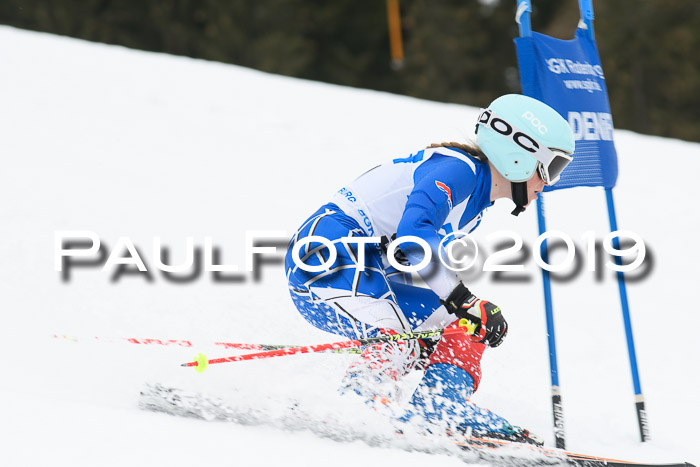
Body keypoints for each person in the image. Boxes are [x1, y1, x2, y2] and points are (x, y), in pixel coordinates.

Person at [284, 94, 575, 445]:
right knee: (399, 331)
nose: (549, 183)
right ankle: (358, 402)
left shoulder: (476, 202)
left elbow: (409, 259)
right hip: (322, 255)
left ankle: (437, 409)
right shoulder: (459, 171)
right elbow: (412, 236)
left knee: (465, 326)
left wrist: (452, 314)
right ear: (520, 154)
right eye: (552, 168)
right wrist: (461, 298)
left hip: (367, 265)